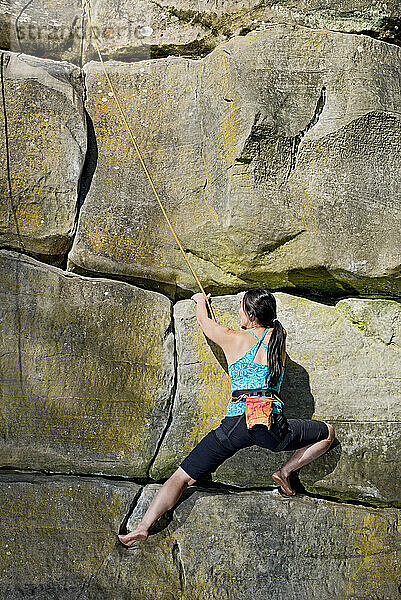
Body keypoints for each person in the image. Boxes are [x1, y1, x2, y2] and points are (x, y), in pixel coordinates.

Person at [118, 288, 335, 549]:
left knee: (182, 477)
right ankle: (284, 471)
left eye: (241, 308)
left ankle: (142, 527)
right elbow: (268, 328)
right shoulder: (279, 336)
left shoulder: (233, 338)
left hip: (236, 424)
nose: (238, 312)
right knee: (327, 433)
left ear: (251, 313)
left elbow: (205, 324)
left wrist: (200, 302)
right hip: (270, 424)